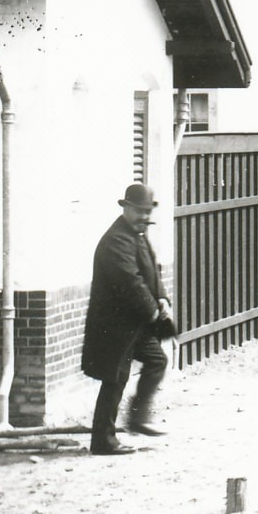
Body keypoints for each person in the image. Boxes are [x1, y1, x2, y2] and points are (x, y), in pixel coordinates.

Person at [81, 183, 174, 456]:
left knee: (157, 361)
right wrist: (154, 312)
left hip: (134, 325)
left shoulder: (138, 235)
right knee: (115, 380)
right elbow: (129, 282)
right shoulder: (116, 240)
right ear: (127, 208)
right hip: (115, 327)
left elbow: (151, 273)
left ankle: (136, 418)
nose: (144, 217)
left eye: (147, 212)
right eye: (140, 211)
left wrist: (163, 298)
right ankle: (103, 441)